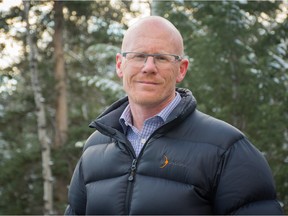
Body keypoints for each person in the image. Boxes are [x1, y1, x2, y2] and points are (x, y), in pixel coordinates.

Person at [65, 16, 283, 215]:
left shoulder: (228, 149)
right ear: (120, 65)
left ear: (181, 69)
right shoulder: (94, 149)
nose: (149, 67)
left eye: (161, 58)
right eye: (139, 56)